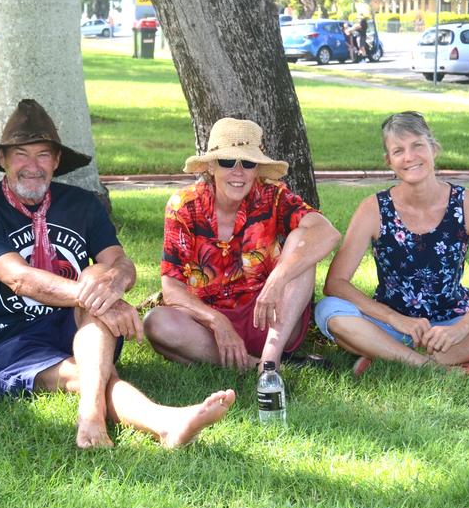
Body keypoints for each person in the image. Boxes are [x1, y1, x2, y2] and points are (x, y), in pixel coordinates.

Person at [0, 99, 234, 449]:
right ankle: (160, 421)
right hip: (8, 337)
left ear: (57, 161)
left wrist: (113, 283)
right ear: (2, 160)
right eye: (20, 154)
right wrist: (104, 301)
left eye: (43, 155)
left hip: (80, 326)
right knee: (88, 370)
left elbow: (120, 261)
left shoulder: (81, 204)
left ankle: (99, 416)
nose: (33, 166)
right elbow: (19, 279)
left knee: (98, 273)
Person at [317, 112, 469, 377]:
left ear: (434, 148)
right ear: (389, 161)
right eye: (398, 150)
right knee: (328, 310)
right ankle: (441, 366)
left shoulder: (468, 203)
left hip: (453, 322)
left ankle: (389, 355)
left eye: (417, 145)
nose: (409, 157)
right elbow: (335, 283)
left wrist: (461, 329)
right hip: (392, 324)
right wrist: (395, 319)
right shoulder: (373, 208)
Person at [145, 118, 340, 374]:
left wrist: (277, 280)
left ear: (257, 169)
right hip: (208, 327)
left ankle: (270, 358)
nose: (238, 172)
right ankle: (258, 366)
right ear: (211, 166)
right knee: (156, 323)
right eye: (228, 162)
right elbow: (172, 291)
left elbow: (327, 233)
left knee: (302, 242)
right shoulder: (184, 206)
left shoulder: (273, 195)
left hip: (269, 319)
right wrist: (217, 321)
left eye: (247, 163)